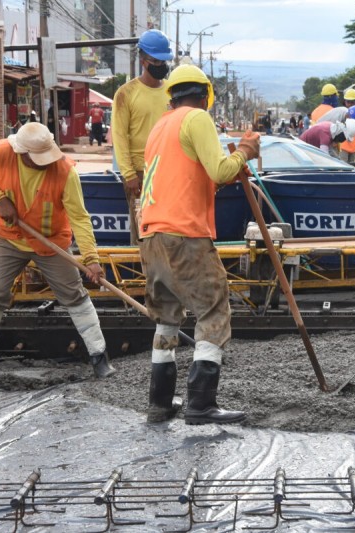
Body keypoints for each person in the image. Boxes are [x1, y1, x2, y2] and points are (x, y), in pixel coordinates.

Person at [138, 65, 261, 424]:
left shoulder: (161, 126)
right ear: (205, 95)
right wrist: (244, 154)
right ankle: (201, 403)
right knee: (213, 309)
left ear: (170, 95)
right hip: (184, 234)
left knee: (167, 318)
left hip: (152, 234)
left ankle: (160, 403)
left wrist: (229, 168)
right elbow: (221, 171)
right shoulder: (197, 118)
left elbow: (192, 179)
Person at [0, 122, 116, 379]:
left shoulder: (65, 172)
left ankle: (99, 355)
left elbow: (79, 217)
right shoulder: (1, 153)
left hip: (51, 242)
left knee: (74, 295)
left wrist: (91, 258)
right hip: (10, 238)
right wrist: (0, 199)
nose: (44, 163)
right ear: (22, 152)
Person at [112, 29, 173, 245]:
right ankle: (145, 277)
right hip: (140, 174)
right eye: (156, 61)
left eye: (164, 61)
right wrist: (129, 174)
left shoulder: (171, 92)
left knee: (168, 233)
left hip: (169, 171)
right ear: (143, 60)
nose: (161, 66)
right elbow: (119, 137)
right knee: (143, 235)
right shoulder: (125, 94)